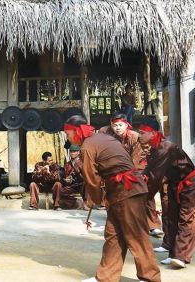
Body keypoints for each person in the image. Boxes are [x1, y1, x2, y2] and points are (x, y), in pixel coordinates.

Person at [64, 115, 160, 282]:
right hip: (120, 190)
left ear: (76, 131)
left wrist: (94, 199)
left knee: (136, 235)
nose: (67, 137)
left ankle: (150, 277)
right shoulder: (102, 137)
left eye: (68, 133)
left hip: (127, 189)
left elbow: (91, 178)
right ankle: (106, 277)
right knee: (113, 235)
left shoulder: (87, 147)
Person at [139, 117, 195, 269]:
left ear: (152, 133)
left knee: (186, 218)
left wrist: (144, 197)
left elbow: (155, 177)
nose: (139, 136)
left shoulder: (166, 146)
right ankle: (173, 253)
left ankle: (181, 257)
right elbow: (150, 168)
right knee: (171, 215)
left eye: (142, 132)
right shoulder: (154, 147)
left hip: (189, 184)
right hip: (173, 183)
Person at [99, 112, 163, 236]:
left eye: (120, 125)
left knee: (144, 192)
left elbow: (137, 158)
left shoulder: (135, 137)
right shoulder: (107, 134)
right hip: (115, 168)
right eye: (114, 125)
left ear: (127, 125)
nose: (117, 128)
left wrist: (129, 174)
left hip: (136, 167)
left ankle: (153, 225)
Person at [59, 144, 86, 210]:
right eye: (71, 151)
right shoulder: (67, 164)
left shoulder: (83, 162)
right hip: (72, 185)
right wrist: (66, 180)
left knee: (85, 184)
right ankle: (76, 202)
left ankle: (86, 203)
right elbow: (65, 176)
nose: (72, 153)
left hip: (82, 184)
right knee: (58, 191)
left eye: (74, 151)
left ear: (78, 152)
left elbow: (86, 175)